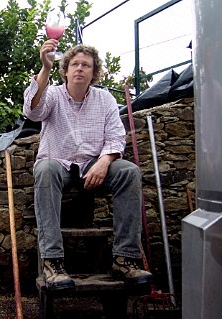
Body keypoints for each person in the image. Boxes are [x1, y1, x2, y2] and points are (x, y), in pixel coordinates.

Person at [23, 40, 153, 289]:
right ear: (66, 70)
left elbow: (116, 137)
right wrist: (45, 69)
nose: (80, 68)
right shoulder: (53, 94)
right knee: (45, 169)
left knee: (129, 172)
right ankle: (53, 262)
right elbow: (32, 111)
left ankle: (125, 258)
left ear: (94, 73)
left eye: (86, 65)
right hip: (58, 164)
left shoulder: (104, 99)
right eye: (75, 64)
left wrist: (104, 162)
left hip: (94, 166)